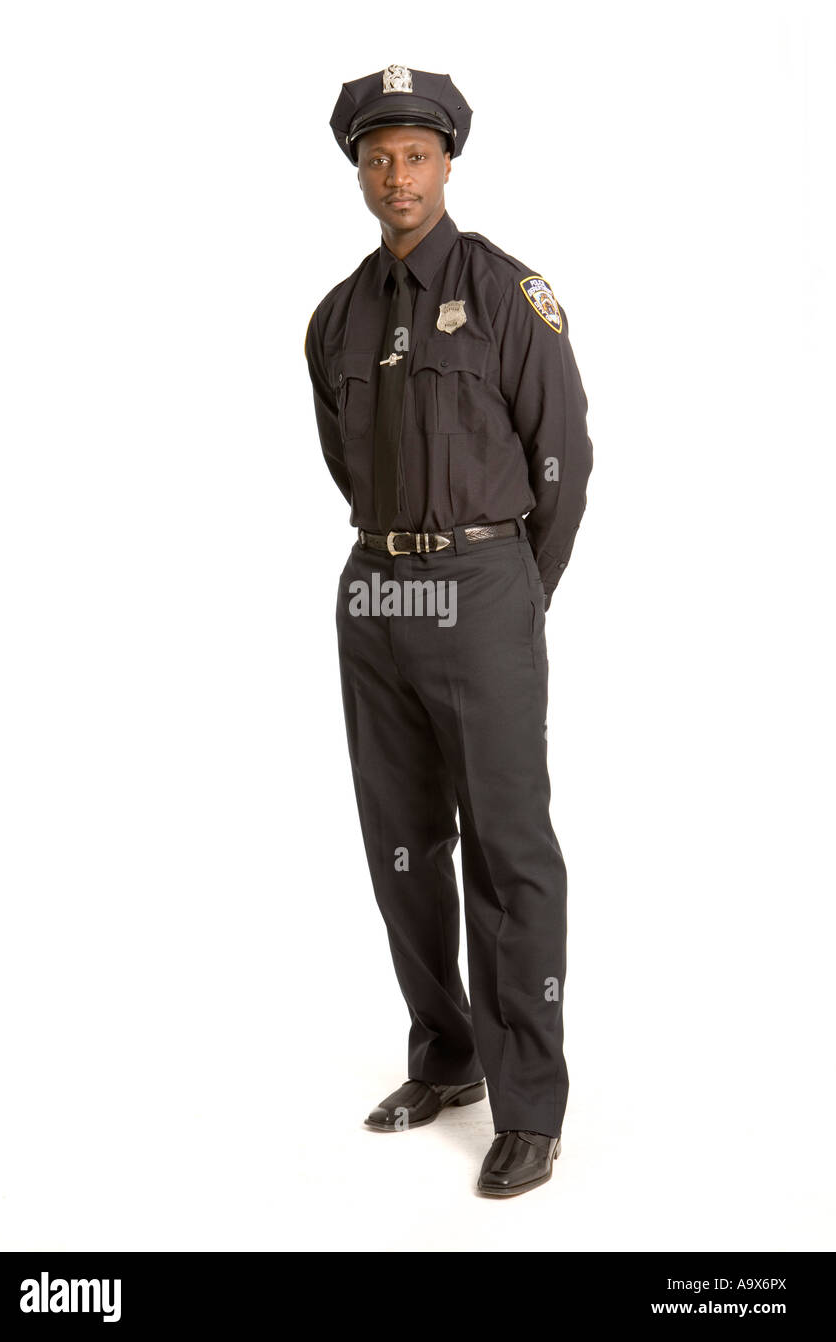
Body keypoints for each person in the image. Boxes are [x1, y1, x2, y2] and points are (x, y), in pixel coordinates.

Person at [304, 65, 593, 1197]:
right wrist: (400, 556)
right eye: (377, 156)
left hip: (482, 586)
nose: (396, 174)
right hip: (376, 591)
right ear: (359, 171)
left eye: (415, 154)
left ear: (446, 163)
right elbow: (343, 459)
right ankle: (448, 1055)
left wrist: (511, 588)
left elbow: (561, 463)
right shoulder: (334, 315)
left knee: (510, 853)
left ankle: (529, 1104)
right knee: (402, 847)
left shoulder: (508, 294)